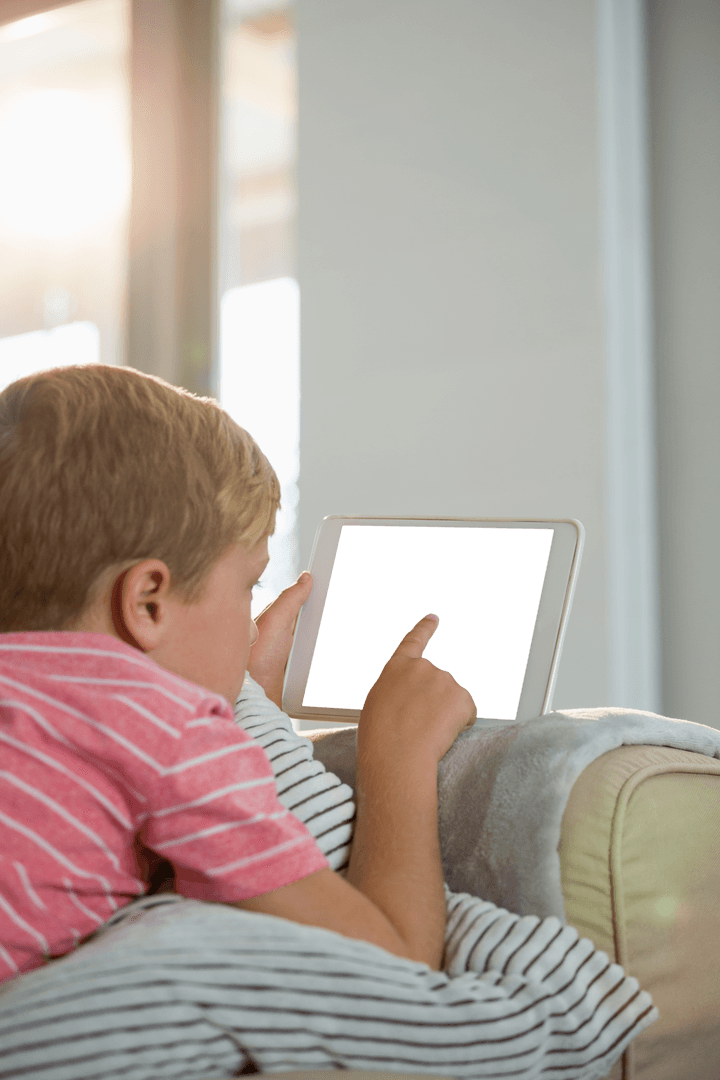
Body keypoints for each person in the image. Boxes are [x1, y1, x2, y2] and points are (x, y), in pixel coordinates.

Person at [0, 364, 656, 1078]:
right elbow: (387, 962)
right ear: (149, 601)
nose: (252, 613)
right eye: (247, 583)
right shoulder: (163, 725)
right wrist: (396, 760)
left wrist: (245, 689)